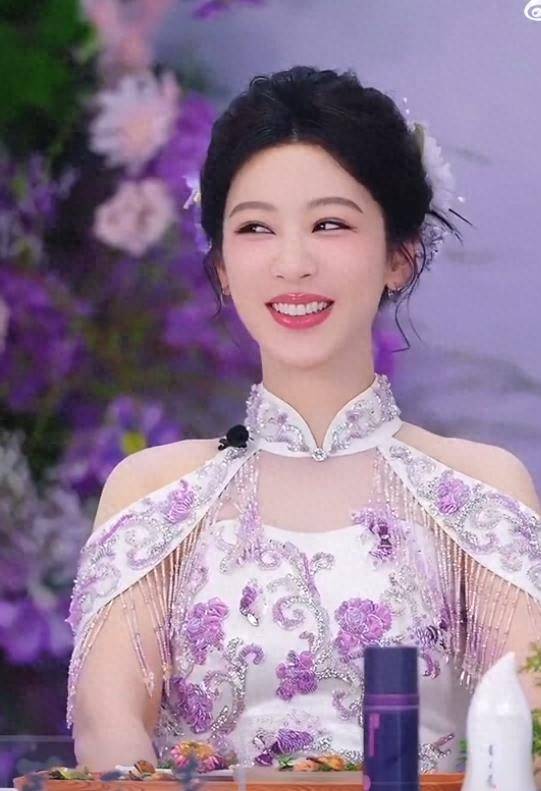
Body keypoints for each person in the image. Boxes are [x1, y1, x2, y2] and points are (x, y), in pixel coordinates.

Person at [66, 66, 541, 775]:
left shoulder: (476, 492)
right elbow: (110, 738)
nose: (291, 263)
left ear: (400, 255)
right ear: (222, 266)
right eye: (255, 227)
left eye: (329, 224)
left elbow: (529, 740)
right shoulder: (155, 495)